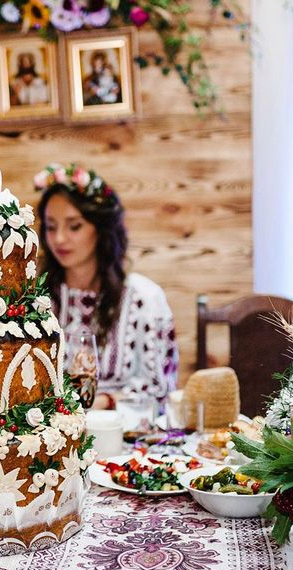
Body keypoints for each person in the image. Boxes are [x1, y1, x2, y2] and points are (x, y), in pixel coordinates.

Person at [34, 163, 178, 411]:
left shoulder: (144, 299)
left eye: (74, 226)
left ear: (100, 230)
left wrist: (104, 402)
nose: (58, 239)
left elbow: (160, 391)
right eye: (50, 226)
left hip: (124, 441)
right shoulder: (36, 299)